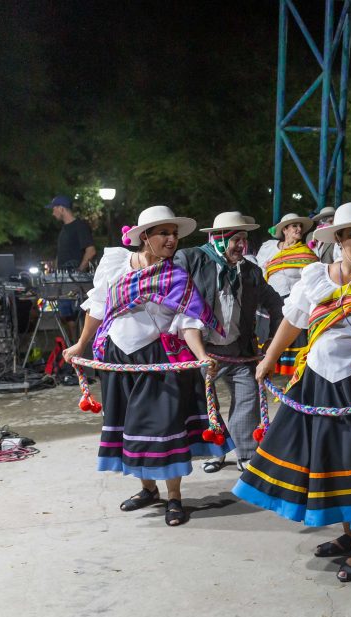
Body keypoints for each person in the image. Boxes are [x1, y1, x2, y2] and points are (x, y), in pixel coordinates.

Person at [233, 202, 351, 582]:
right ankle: (345, 536)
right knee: (329, 462)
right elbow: (293, 320)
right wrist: (269, 359)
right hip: (317, 382)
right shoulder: (316, 277)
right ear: (338, 239)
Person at [62, 206, 233, 526]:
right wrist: (80, 345)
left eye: (174, 234)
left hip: (159, 359)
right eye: (163, 234)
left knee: (165, 428)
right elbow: (97, 309)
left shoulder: (176, 275)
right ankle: (148, 489)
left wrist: (201, 355)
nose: (171, 240)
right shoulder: (115, 265)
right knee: (130, 428)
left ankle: (175, 498)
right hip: (117, 357)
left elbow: (187, 321)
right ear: (144, 237)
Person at [175, 211, 284, 472]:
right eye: (236, 239)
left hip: (240, 351)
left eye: (244, 239)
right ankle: (216, 451)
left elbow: (276, 303)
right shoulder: (191, 260)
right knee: (205, 404)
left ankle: (246, 454)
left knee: (247, 399)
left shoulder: (251, 271)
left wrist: (273, 338)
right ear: (219, 238)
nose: (241, 246)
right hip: (202, 351)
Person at [256, 212, 319, 376]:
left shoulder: (306, 253)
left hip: (293, 305)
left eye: (300, 226)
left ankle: (294, 380)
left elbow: (311, 279)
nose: (299, 229)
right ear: (284, 230)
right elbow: (259, 270)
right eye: (294, 226)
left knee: (294, 342)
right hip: (270, 303)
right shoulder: (269, 248)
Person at [47, 195, 97, 341]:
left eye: (54, 209)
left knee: (78, 316)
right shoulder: (64, 230)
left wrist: (79, 272)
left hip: (76, 281)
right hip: (64, 281)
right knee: (68, 317)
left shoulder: (79, 226)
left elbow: (91, 250)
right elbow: (61, 255)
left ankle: (83, 350)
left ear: (62, 209)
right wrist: (55, 271)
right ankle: (73, 350)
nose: (53, 212)